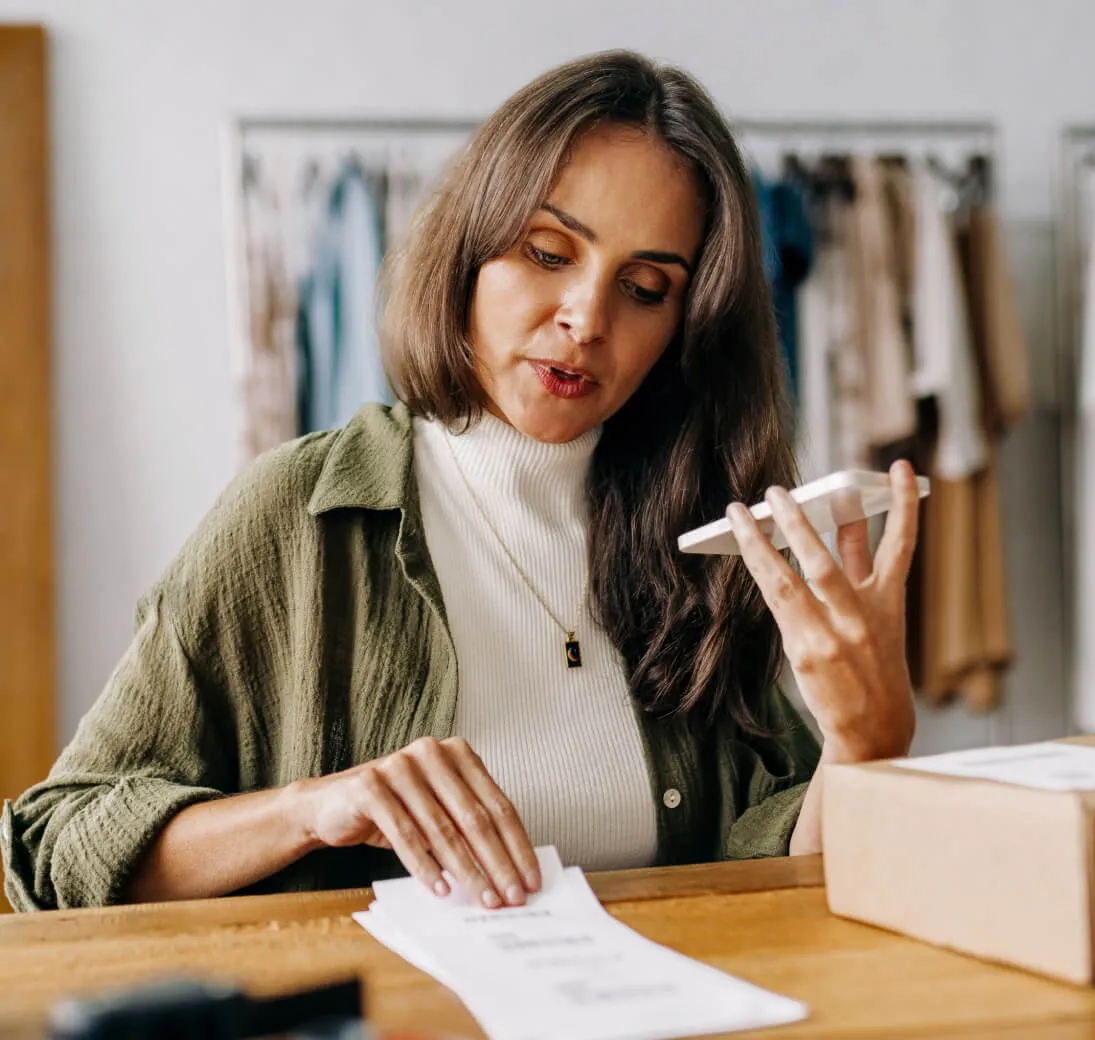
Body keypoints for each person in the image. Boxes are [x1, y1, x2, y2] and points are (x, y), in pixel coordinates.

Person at [0, 51, 918, 913]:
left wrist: (861, 746)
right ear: (469, 250)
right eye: (549, 252)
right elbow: (55, 848)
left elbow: (784, 884)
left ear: (687, 329)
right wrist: (312, 809)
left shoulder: (711, 549)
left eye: (644, 287)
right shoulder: (299, 514)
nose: (585, 318)